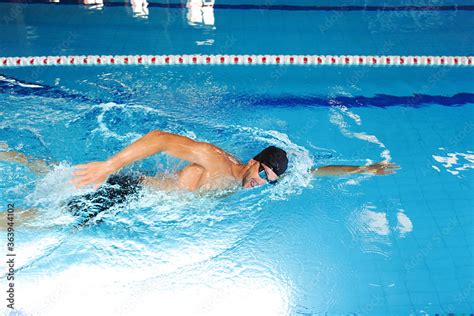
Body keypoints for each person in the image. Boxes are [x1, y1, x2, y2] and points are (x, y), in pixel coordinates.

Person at [0, 130, 399, 227]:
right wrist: (108, 166)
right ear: (255, 162)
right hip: (127, 192)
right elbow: (158, 139)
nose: (262, 185)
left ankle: (12, 155)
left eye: (271, 182)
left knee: (59, 177)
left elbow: (311, 174)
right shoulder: (214, 160)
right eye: (263, 176)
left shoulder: (255, 179)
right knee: (42, 219)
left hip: (144, 192)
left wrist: (363, 169)